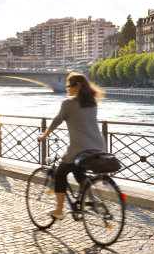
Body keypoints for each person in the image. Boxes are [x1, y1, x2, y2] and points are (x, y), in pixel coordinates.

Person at [37, 72, 105, 220]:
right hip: (98, 146)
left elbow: (57, 120)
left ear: (77, 86)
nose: (66, 88)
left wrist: (44, 135)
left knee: (60, 173)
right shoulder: (92, 103)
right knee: (77, 171)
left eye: (68, 85)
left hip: (80, 148)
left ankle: (59, 209)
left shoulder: (68, 104)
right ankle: (92, 198)